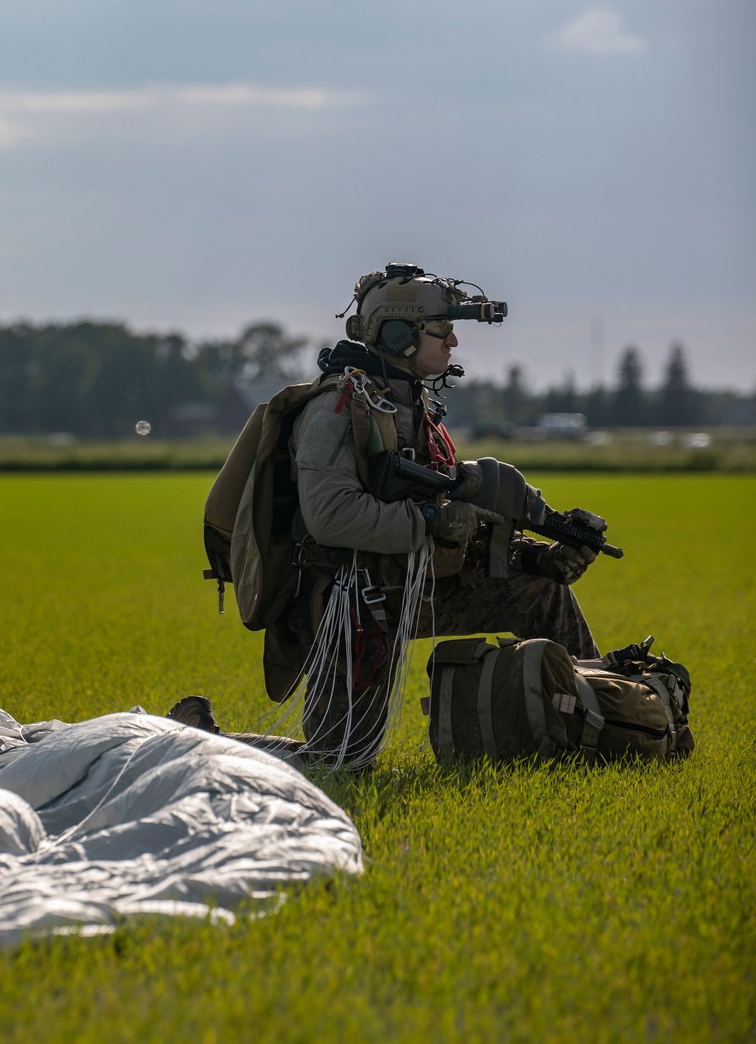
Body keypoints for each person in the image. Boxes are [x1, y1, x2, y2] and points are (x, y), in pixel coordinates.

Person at [187, 263, 604, 769]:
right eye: (441, 330)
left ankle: (600, 722)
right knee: (340, 763)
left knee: (543, 593)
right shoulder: (337, 409)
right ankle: (196, 743)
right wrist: (430, 522)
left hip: (412, 585)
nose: (452, 342)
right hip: (349, 603)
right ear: (400, 335)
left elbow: (456, 518)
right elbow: (331, 517)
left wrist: (540, 558)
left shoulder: (413, 409)